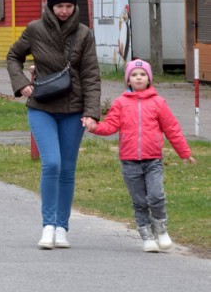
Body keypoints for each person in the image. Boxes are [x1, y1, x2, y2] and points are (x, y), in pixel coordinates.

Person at [7, 0, 101, 249]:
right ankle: (48, 225)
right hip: (42, 106)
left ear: (74, 7)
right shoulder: (35, 29)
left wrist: (92, 112)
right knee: (52, 164)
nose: (63, 11)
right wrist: (22, 82)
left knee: (68, 170)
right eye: (59, 5)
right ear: (50, 6)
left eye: (68, 6)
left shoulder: (84, 34)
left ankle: (62, 227)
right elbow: (14, 56)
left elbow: (91, 75)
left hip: (74, 110)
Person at [83, 59, 197, 252]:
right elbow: (110, 125)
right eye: (134, 75)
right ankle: (146, 236)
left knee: (156, 196)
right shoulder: (120, 103)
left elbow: (172, 129)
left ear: (149, 79)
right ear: (128, 80)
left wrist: (184, 152)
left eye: (142, 74)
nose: (138, 77)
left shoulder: (158, 103)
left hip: (153, 160)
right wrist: (95, 127)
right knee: (140, 201)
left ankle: (161, 230)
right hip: (129, 162)